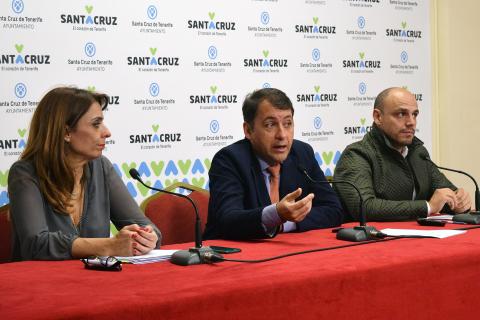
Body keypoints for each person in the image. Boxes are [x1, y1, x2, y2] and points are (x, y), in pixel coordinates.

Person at [8, 87, 161, 261]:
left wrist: (147, 237)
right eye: (96, 124)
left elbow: (145, 226)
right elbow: (36, 244)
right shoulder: (25, 173)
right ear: (66, 132)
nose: (107, 132)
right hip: (40, 283)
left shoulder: (101, 167)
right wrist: (110, 245)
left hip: (93, 281)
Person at [203, 88, 343, 240]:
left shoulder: (302, 153)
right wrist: (276, 214)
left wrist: (283, 222)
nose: (282, 135)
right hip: (232, 255)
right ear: (249, 130)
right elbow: (228, 220)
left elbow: (334, 210)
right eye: (270, 125)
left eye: (288, 123)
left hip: (288, 254)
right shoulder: (229, 160)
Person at [333, 87, 472, 221]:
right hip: (373, 241)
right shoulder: (357, 155)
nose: (411, 122)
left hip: (417, 239)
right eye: (401, 114)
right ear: (378, 117)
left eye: (414, 114)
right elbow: (365, 207)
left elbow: (444, 195)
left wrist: (459, 202)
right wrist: (428, 207)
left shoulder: (418, 153)